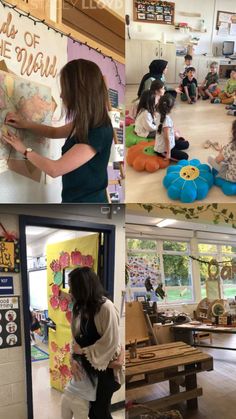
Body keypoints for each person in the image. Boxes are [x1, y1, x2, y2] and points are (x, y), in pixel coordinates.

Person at [4, 59, 113, 203]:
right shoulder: (84, 122)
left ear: (79, 92)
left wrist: (24, 149)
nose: (61, 96)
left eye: (65, 89)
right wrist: (25, 124)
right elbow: (54, 133)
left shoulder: (99, 129)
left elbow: (55, 169)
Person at [63, 267, 124, 419]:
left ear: (83, 287)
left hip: (106, 371)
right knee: (89, 411)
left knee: (99, 412)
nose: (70, 290)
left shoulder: (105, 307)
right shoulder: (79, 307)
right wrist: (72, 358)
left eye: (72, 286)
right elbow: (75, 339)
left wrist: (81, 352)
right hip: (88, 371)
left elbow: (110, 342)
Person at [154, 94, 189, 160]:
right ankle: (164, 153)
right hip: (164, 149)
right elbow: (166, 138)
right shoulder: (165, 120)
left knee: (186, 144)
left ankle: (174, 145)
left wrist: (174, 136)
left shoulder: (160, 114)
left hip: (170, 143)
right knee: (185, 157)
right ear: (171, 108)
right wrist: (168, 153)